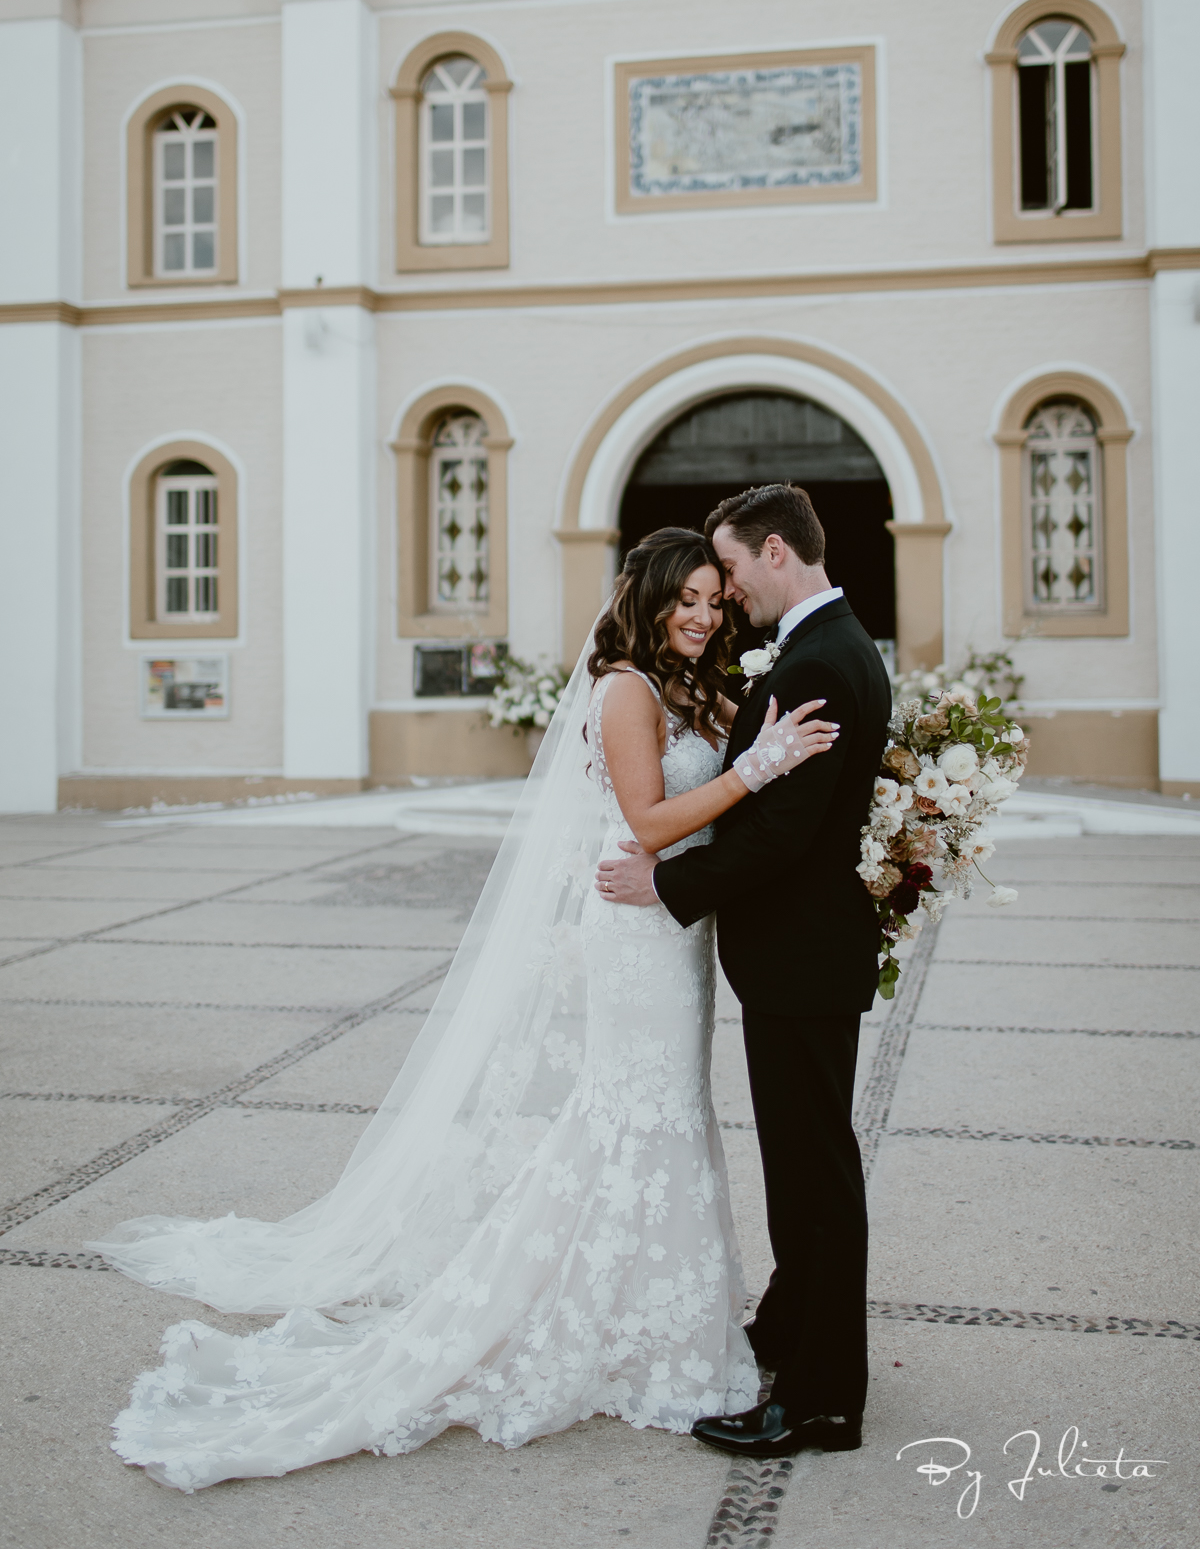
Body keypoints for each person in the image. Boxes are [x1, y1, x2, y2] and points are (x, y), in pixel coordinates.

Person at [89, 526, 836, 1492]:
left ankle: (652, 1312)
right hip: (635, 934)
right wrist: (757, 768)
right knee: (631, 1116)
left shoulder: (691, 687)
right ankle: (592, 1319)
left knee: (670, 1115)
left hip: (677, 936)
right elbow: (649, 824)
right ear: (647, 601)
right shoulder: (624, 690)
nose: (701, 615)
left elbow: (726, 787)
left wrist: (772, 751)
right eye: (683, 600)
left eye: (711, 598)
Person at [597, 486, 891, 1458]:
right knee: (806, 1169)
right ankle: (790, 1332)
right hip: (804, 958)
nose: (722, 600)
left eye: (725, 578)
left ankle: (819, 1400)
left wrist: (668, 887)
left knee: (814, 1176)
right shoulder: (834, 646)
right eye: (697, 590)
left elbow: (779, 836)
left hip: (800, 961)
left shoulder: (817, 662)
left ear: (772, 553)